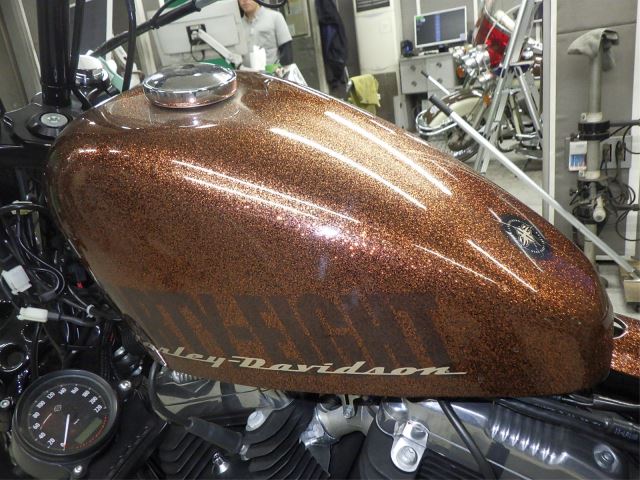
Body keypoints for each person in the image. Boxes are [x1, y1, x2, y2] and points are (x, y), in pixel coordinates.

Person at [238, 0, 293, 66]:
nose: (244, 0)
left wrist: (280, 70)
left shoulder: (275, 17)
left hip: (272, 71)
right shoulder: (237, 25)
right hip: (246, 72)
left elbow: (287, 52)